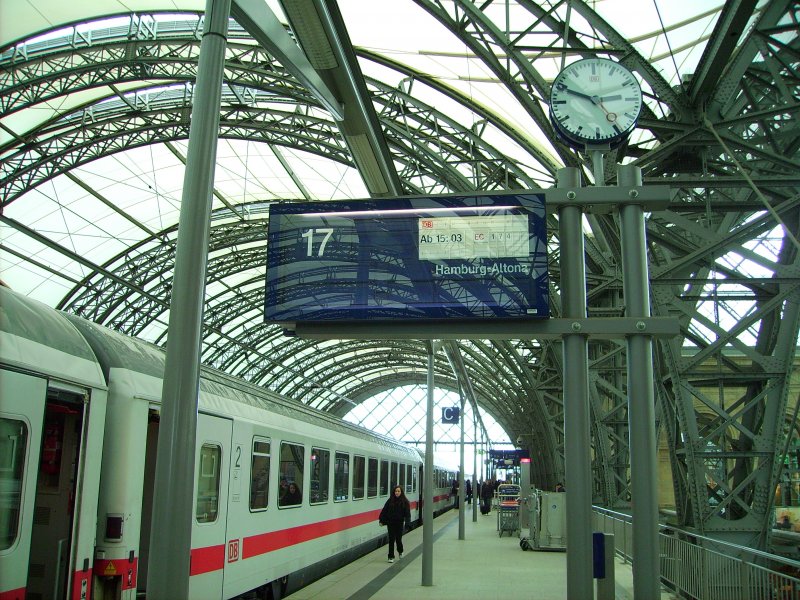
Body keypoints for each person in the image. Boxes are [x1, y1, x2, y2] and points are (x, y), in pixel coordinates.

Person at [379, 485, 411, 563]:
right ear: (394, 492)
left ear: (401, 492)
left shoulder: (405, 502)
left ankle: (400, 551)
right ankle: (391, 556)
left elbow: (407, 514)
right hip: (391, 523)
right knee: (391, 539)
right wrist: (381, 520)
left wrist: (407, 523)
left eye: (398, 491)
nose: (397, 493)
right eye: (396, 491)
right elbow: (384, 511)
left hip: (399, 523)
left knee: (398, 539)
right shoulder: (390, 501)